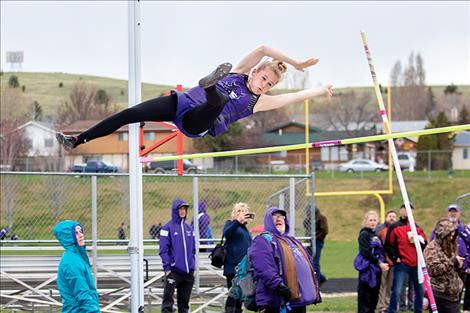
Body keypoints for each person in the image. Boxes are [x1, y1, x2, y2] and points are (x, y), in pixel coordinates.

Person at [55, 45, 333, 150]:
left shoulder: (257, 102)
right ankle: (78, 140)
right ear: (256, 71)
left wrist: (321, 90)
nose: (264, 85)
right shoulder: (237, 72)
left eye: (270, 84)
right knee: (130, 114)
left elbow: (295, 96)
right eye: (263, 78)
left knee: (218, 102)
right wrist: (295, 62)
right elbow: (262, 47)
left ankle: (211, 87)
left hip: (198, 122)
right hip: (184, 103)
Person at [249, 206, 321, 313]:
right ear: (268, 221)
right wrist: (279, 286)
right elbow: (264, 268)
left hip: (298, 300)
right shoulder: (262, 240)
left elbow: (308, 262)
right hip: (279, 300)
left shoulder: (292, 241)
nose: (279, 219)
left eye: (281, 217)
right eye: (274, 216)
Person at [384, 203, 427, 313]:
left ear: (413, 212)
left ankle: (418, 311)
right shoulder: (395, 227)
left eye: (409, 209)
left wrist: (418, 239)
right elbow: (388, 244)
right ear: (401, 211)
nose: (407, 211)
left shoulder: (417, 227)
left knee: (420, 290)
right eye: (404, 209)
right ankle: (392, 310)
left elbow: (425, 244)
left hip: (416, 264)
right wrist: (395, 257)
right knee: (397, 290)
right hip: (402, 263)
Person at [53, 220, 100, 312]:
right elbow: (82, 294)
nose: (81, 235)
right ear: (68, 237)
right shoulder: (72, 262)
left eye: (81, 231)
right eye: (76, 233)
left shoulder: (77, 257)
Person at [159, 199, 195, 313]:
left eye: (184, 209)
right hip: (173, 272)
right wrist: (167, 269)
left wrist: (192, 266)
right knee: (167, 304)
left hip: (188, 273)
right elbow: (163, 250)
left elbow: (193, 249)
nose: (183, 211)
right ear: (175, 210)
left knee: (184, 305)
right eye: (180, 209)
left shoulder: (189, 228)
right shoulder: (166, 228)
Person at [424, 218, 464, 313]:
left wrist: (458, 264)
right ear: (442, 234)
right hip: (440, 295)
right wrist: (452, 262)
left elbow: (451, 267)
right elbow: (433, 270)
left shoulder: (450, 245)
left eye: (453, 234)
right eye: (449, 235)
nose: (451, 237)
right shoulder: (432, 248)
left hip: (453, 294)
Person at [355, 211, 390, 313]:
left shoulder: (376, 236)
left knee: (374, 298)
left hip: (376, 270)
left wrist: (384, 261)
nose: (373, 222)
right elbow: (365, 252)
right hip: (367, 269)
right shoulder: (364, 234)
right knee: (365, 297)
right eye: (370, 220)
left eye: (375, 220)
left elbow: (381, 250)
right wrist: (379, 263)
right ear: (366, 221)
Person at [223, 202, 253, 313]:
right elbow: (226, 233)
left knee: (239, 299)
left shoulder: (246, 230)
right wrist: (237, 222)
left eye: (243, 211)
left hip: (244, 269)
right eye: (239, 211)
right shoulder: (231, 224)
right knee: (233, 296)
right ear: (234, 214)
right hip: (233, 269)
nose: (241, 213)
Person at [375, 210, 397, 313]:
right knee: (382, 285)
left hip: (393, 261)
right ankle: (381, 306)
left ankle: (388, 305)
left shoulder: (397, 228)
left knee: (390, 285)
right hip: (383, 261)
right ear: (386, 217)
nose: (392, 218)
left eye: (393, 216)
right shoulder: (380, 229)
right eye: (390, 216)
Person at [303, 205, 329, 286]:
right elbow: (305, 225)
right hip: (309, 242)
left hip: (317, 242)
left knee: (315, 262)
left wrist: (316, 237)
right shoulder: (309, 219)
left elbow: (325, 230)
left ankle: (316, 283)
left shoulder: (321, 219)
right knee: (308, 261)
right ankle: (321, 277)